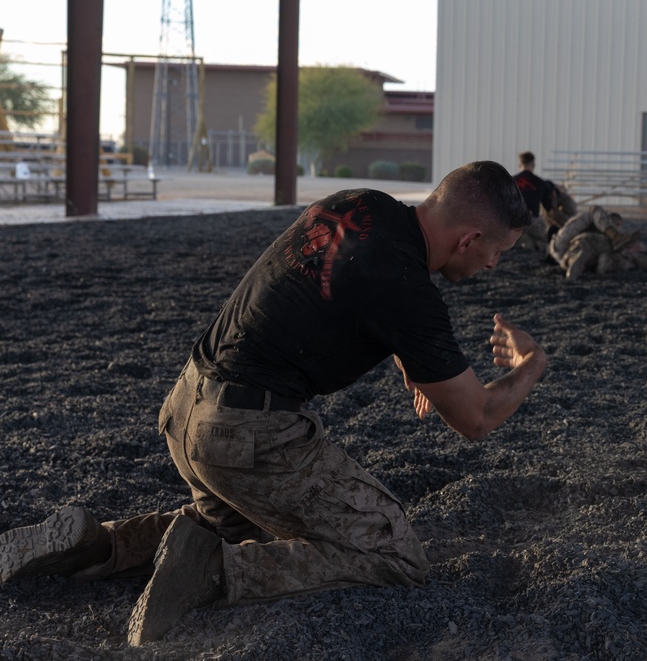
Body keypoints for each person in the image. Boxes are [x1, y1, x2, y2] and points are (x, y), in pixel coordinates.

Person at [0, 160, 548, 645]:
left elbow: (346, 294)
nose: (494, 267)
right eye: (498, 253)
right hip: (247, 434)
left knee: (248, 528)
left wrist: (417, 366)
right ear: (469, 239)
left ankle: (98, 546)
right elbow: (476, 419)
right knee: (395, 553)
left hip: (186, 408)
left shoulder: (360, 207)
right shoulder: (406, 287)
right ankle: (212, 572)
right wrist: (532, 365)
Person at [548, 205, 647, 280]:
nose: (620, 227)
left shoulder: (598, 237)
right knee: (593, 210)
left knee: (621, 256)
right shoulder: (591, 225)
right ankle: (616, 237)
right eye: (618, 226)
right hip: (565, 244)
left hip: (573, 254)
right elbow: (592, 213)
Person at [513, 151, 557, 251]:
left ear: (519, 165)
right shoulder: (540, 182)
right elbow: (549, 207)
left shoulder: (510, 181)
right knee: (547, 244)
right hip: (533, 222)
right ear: (533, 165)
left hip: (514, 224)